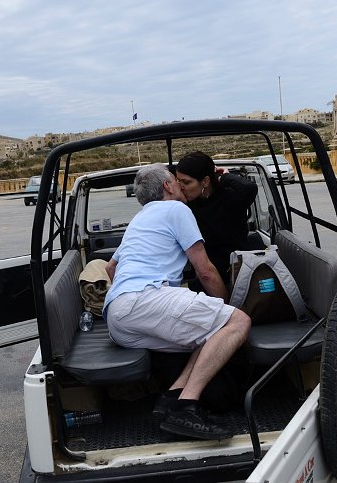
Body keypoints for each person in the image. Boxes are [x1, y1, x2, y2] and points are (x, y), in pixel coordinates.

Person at [103, 164, 251, 440]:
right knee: (236, 322)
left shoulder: (140, 219)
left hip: (116, 317)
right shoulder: (176, 209)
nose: (181, 185)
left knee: (211, 333)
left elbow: (110, 269)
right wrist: (227, 307)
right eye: (175, 180)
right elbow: (205, 271)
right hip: (143, 298)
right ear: (167, 186)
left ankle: (171, 399)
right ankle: (187, 407)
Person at [176, 151, 258, 288]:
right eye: (178, 181)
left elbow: (249, 188)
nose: (181, 187)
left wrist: (223, 177)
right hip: (203, 276)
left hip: (236, 274)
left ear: (205, 181)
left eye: (186, 182)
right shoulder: (187, 204)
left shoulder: (229, 198)